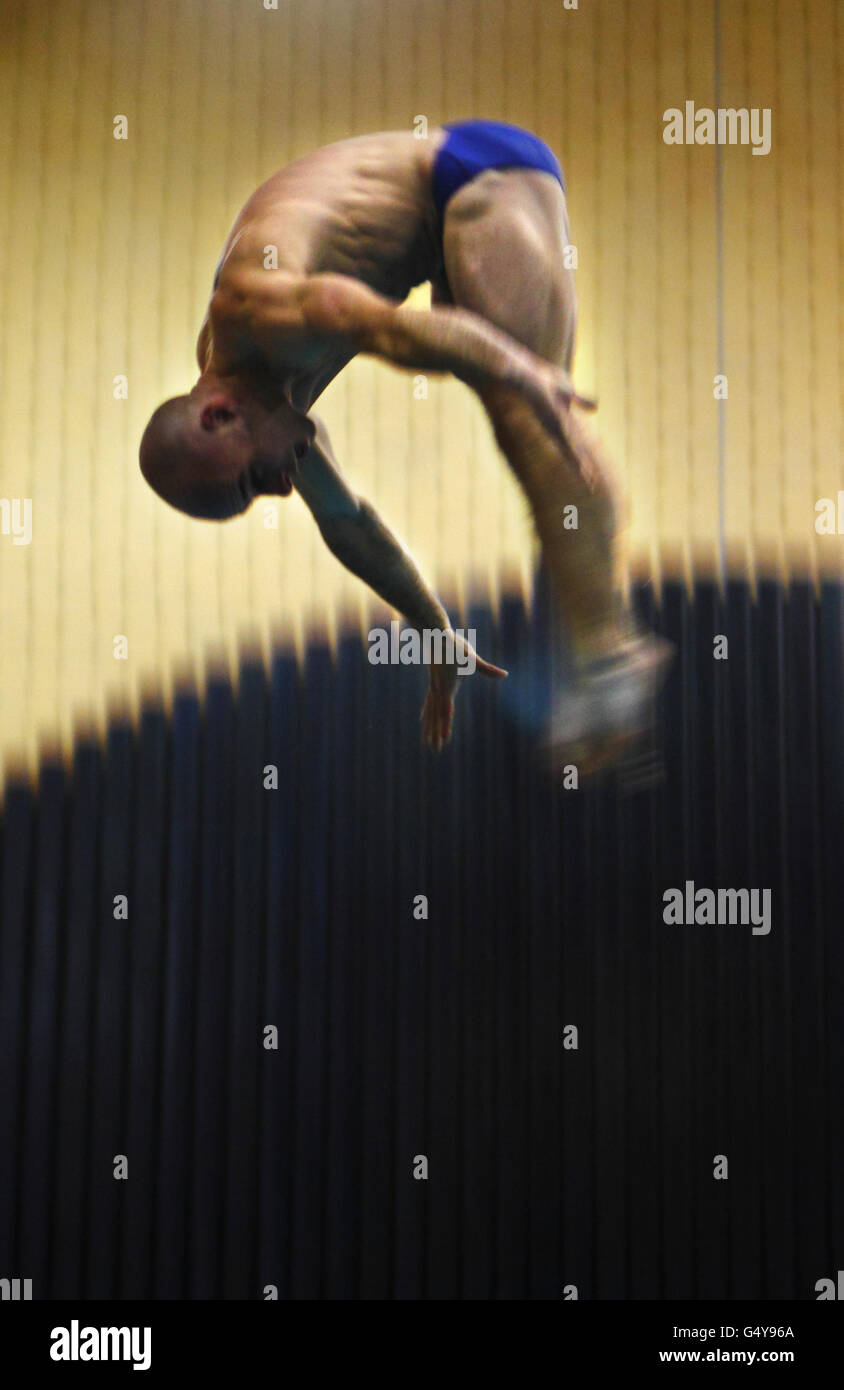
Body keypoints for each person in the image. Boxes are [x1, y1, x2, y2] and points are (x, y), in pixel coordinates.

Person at [140, 120, 671, 766]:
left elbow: (394, 334)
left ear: (217, 416)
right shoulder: (259, 400)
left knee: (525, 410)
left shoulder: (259, 307)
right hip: (432, 235)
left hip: (472, 174)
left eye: (255, 481)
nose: (282, 485)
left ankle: (613, 655)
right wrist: (433, 629)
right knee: (514, 401)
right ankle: (601, 648)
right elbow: (346, 521)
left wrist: (521, 367)